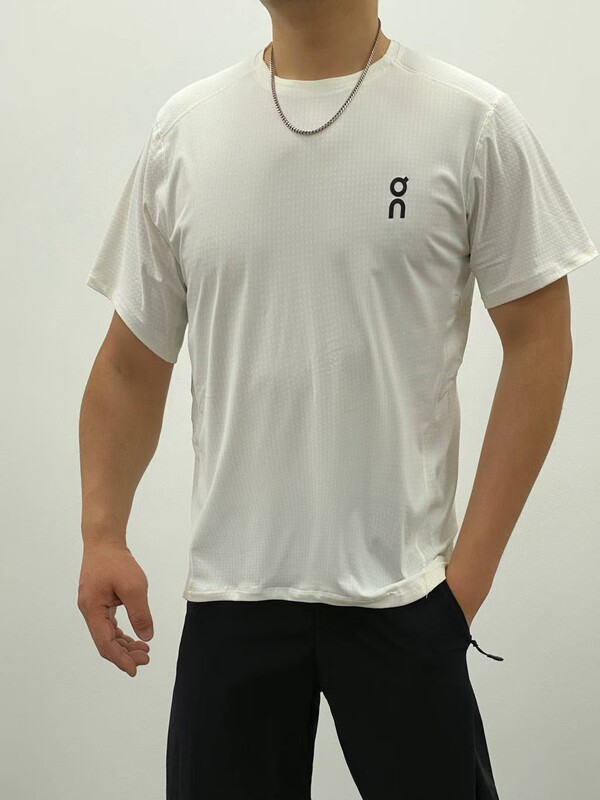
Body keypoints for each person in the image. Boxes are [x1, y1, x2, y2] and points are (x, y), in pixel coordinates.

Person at [78, 1, 598, 797]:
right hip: (232, 596)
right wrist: (102, 533)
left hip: (405, 595)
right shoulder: (185, 132)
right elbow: (129, 365)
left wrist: (465, 587)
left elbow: (541, 341)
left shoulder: (472, 123)